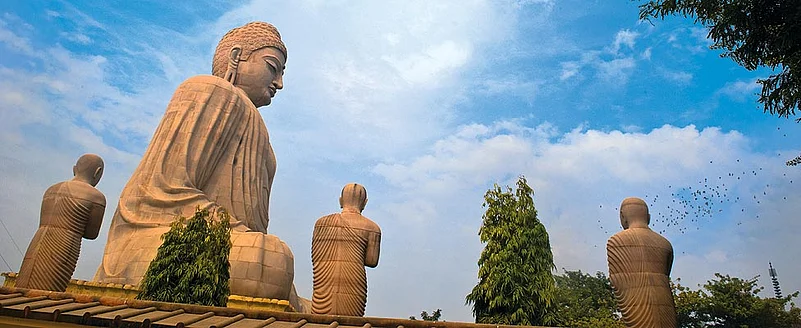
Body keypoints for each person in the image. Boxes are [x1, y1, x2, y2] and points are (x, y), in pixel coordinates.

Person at [95, 22, 298, 305]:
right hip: (166, 237)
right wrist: (233, 233)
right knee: (273, 260)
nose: (279, 84)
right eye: (272, 67)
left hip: (227, 241)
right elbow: (160, 192)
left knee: (280, 270)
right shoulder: (208, 90)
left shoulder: (257, 123)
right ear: (236, 57)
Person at [17, 154, 106, 292]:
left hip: (38, 240)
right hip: (65, 245)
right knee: (48, 292)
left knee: (24, 286)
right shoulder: (96, 197)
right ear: (97, 172)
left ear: (74, 169)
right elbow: (91, 233)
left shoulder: (51, 189)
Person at [312, 183, 381, 316]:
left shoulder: (321, 223)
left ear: (341, 200)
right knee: (350, 321)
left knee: (320, 321)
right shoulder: (373, 228)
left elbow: (316, 256)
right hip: (354, 282)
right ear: (365, 203)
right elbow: (371, 261)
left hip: (325, 283)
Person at [607, 197, 677, 328]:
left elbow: (617, 280)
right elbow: (666, 274)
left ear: (623, 216)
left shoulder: (617, 240)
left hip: (638, 305)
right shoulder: (665, 243)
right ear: (648, 217)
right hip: (665, 303)